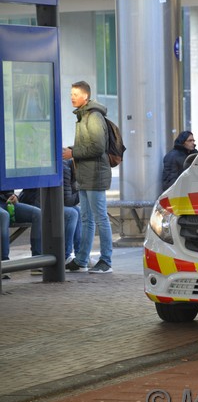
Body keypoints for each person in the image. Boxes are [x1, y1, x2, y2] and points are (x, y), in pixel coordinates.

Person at [63, 81, 113, 274]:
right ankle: (82, 259)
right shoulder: (83, 116)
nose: (72, 97)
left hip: (95, 176)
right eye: (71, 94)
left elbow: (98, 147)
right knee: (86, 218)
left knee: (100, 218)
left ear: (85, 96)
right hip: (85, 176)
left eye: (75, 93)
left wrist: (73, 152)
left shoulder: (93, 116)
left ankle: (106, 260)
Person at [19, 159, 81, 262]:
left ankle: (80, 255)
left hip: (48, 202)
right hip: (37, 203)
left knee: (77, 210)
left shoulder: (71, 168)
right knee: (72, 214)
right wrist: (82, 189)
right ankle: (65, 256)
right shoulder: (65, 169)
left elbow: (66, 199)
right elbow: (68, 200)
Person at [0, 190, 42, 276]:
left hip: (5, 202)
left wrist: (13, 196)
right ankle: (4, 262)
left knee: (38, 214)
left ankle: (37, 261)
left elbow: (7, 187)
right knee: (4, 216)